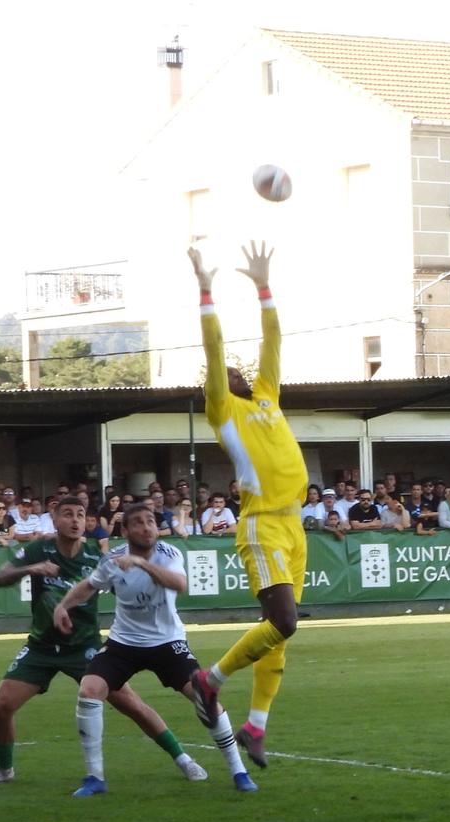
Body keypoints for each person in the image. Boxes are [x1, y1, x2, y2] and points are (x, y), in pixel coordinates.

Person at [187, 242, 309, 771]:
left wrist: (264, 286)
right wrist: (206, 289)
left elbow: (273, 339)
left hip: (295, 527)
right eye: (223, 372)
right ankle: (207, 681)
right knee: (284, 621)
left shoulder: (265, 396)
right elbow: (214, 350)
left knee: (278, 633)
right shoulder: (222, 410)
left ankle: (256, 728)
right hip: (260, 525)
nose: (232, 369)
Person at [0, 495, 192, 786]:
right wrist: (31, 569)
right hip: (41, 646)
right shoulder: (39, 549)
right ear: (54, 518)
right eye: (67, 514)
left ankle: (183, 758)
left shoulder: (99, 556)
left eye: (80, 515)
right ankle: (4, 770)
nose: (74, 520)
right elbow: (0, 578)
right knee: (2, 705)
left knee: (131, 704)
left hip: (85, 647)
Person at [50, 505, 256, 795]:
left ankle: (238, 770)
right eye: (138, 523)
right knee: (89, 689)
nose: (147, 527)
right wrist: (63, 605)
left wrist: (141, 563)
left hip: (167, 642)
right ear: (125, 531)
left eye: (151, 522)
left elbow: (179, 584)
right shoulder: (112, 559)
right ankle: (94, 778)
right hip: (125, 643)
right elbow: (89, 585)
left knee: (203, 695)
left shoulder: (169, 554)